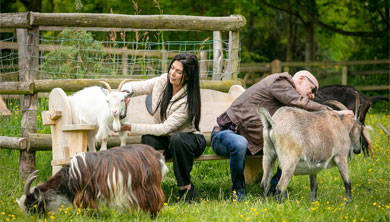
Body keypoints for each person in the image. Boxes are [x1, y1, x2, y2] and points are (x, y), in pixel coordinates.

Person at [211, 70, 353, 201]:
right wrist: (333, 112)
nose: (313, 95)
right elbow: (300, 102)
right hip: (225, 134)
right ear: (301, 79)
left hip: (251, 141)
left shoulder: (286, 95)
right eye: (312, 89)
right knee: (239, 143)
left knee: (287, 147)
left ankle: (275, 191)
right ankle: (238, 193)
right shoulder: (280, 82)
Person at [120, 53, 206, 202]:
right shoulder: (162, 80)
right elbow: (134, 86)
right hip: (168, 139)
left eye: (178, 72)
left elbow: (164, 129)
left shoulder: (187, 100)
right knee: (148, 139)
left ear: (187, 76)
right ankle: (149, 187)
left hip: (189, 139)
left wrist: (130, 127)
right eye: (172, 68)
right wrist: (125, 94)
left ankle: (186, 188)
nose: (172, 73)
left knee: (177, 139)